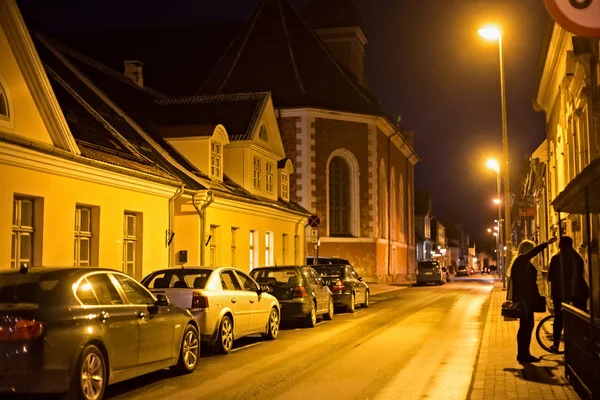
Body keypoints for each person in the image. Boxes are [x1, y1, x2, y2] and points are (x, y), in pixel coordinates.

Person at [509, 237, 557, 363]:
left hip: (526, 299)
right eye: (530, 249)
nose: (532, 252)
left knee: (526, 326)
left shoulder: (522, 262)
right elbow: (533, 253)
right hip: (524, 300)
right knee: (526, 326)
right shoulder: (521, 260)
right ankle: (524, 355)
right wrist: (546, 244)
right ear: (526, 250)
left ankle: (523, 353)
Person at [547, 235, 589, 352]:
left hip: (561, 294)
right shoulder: (578, 258)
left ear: (560, 245)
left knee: (559, 319)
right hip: (579, 294)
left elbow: (550, 277)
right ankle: (579, 345)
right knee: (578, 319)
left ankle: (556, 345)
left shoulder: (556, 258)